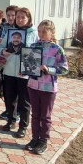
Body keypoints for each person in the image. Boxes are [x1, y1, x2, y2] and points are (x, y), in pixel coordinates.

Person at [25, 20, 68, 154]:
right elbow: (28, 63)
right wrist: (25, 70)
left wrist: (49, 69)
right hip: (33, 85)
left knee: (45, 115)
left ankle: (43, 141)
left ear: (52, 33)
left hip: (48, 87)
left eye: (44, 31)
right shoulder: (33, 46)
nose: (41, 34)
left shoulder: (56, 49)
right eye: (39, 31)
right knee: (35, 114)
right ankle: (35, 138)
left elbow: (64, 69)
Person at [0, 7, 38, 138]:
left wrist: (28, 70)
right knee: (10, 98)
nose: (20, 20)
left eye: (23, 17)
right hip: (9, 70)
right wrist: (3, 52)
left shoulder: (33, 33)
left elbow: (36, 53)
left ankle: (23, 126)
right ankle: (11, 121)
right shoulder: (11, 31)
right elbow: (0, 47)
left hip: (24, 73)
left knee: (24, 101)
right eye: (18, 17)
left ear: (29, 19)